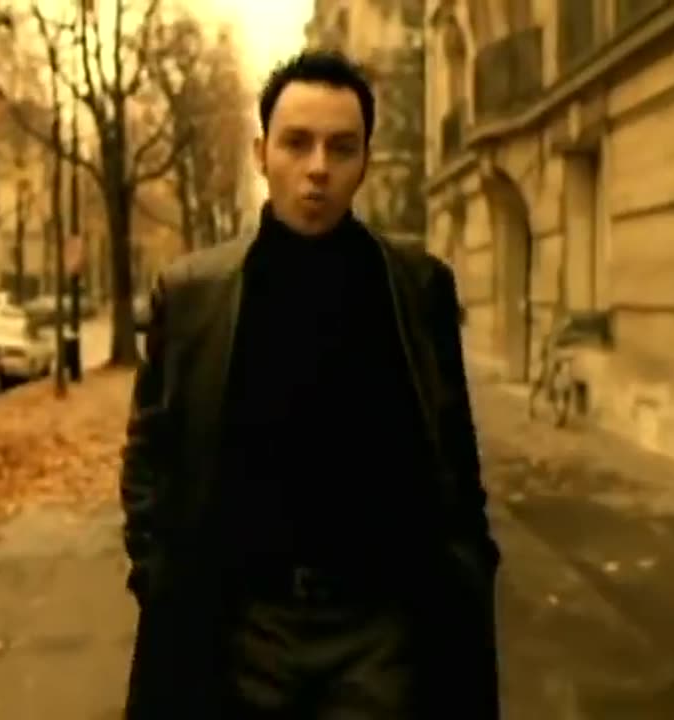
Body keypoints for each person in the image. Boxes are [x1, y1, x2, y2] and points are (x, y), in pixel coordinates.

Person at [120, 49, 501, 719]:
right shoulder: (194, 294)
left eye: (341, 147)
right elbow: (150, 454)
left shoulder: (417, 289)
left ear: (365, 162)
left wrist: (468, 569)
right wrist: (158, 576)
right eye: (297, 143)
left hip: (380, 633)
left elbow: (455, 456)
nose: (318, 167)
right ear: (262, 154)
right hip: (241, 629)